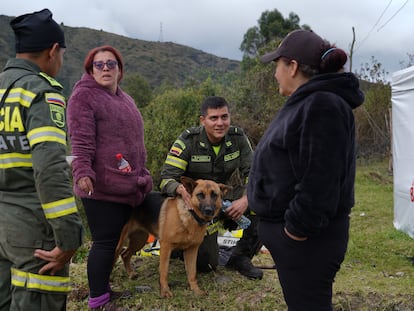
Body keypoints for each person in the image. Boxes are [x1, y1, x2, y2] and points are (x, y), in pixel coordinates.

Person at [248, 29, 364, 310]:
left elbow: (320, 181)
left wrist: (296, 231)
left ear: (293, 66)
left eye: (277, 64)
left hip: (308, 242)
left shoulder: (322, 104)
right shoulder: (308, 102)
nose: (275, 72)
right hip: (299, 243)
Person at [0, 9, 84, 311]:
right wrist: (69, 234)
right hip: (32, 228)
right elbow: (49, 170)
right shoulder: (40, 92)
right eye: (61, 53)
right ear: (52, 51)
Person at [67, 45, 152, 311]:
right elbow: (80, 141)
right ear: (90, 71)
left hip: (127, 183)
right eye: (98, 65)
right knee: (104, 243)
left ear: (120, 70)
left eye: (110, 64)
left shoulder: (124, 98)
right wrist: (82, 172)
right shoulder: (83, 97)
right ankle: (98, 302)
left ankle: (104, 290)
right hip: (100, 185)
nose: (105, 68)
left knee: (113, 239)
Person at [159, 96, 263, 279]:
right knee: (207, 265)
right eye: (213, 118)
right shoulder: (187, 140)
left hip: (221, 198)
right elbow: (166, 178)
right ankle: (180, 248)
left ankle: (241, 257)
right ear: (202, 120)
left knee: (265, 200)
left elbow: (255, 174)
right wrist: (182, 191)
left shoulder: (238, 137)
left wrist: (245, 200)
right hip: (194, 207)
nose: (220, 123)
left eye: (224, 117)